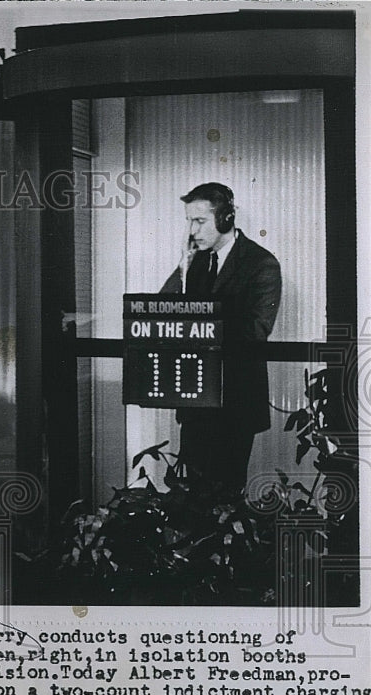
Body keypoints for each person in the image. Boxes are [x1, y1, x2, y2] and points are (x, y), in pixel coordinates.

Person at [160, 182, 281, 494]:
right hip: (197, 400)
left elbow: (257, 329)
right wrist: (182, 268)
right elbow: (163, 308)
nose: (191, 230)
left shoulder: (261, 264)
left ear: (226, 218)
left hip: (236, 403)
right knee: (189, 495)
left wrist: (202, 326)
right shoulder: (195, 262)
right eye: (188, 221)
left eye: (199, 221)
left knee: (224, 497)